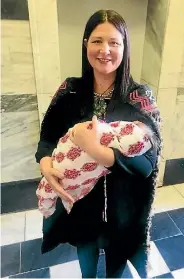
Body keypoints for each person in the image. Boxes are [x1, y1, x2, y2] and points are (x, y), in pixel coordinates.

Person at [35, 9, 162, 278]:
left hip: (123, 209)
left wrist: (95, 150)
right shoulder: (69, 90)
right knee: (86, 259)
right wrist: (46, 164)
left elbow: (146, 166)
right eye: (97, 41)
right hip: (82, 203)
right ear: (85, 45)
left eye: (114, 42)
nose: (105, 50)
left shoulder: (140, 97)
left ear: (124, 48)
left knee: (115, 267)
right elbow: (47, 137)